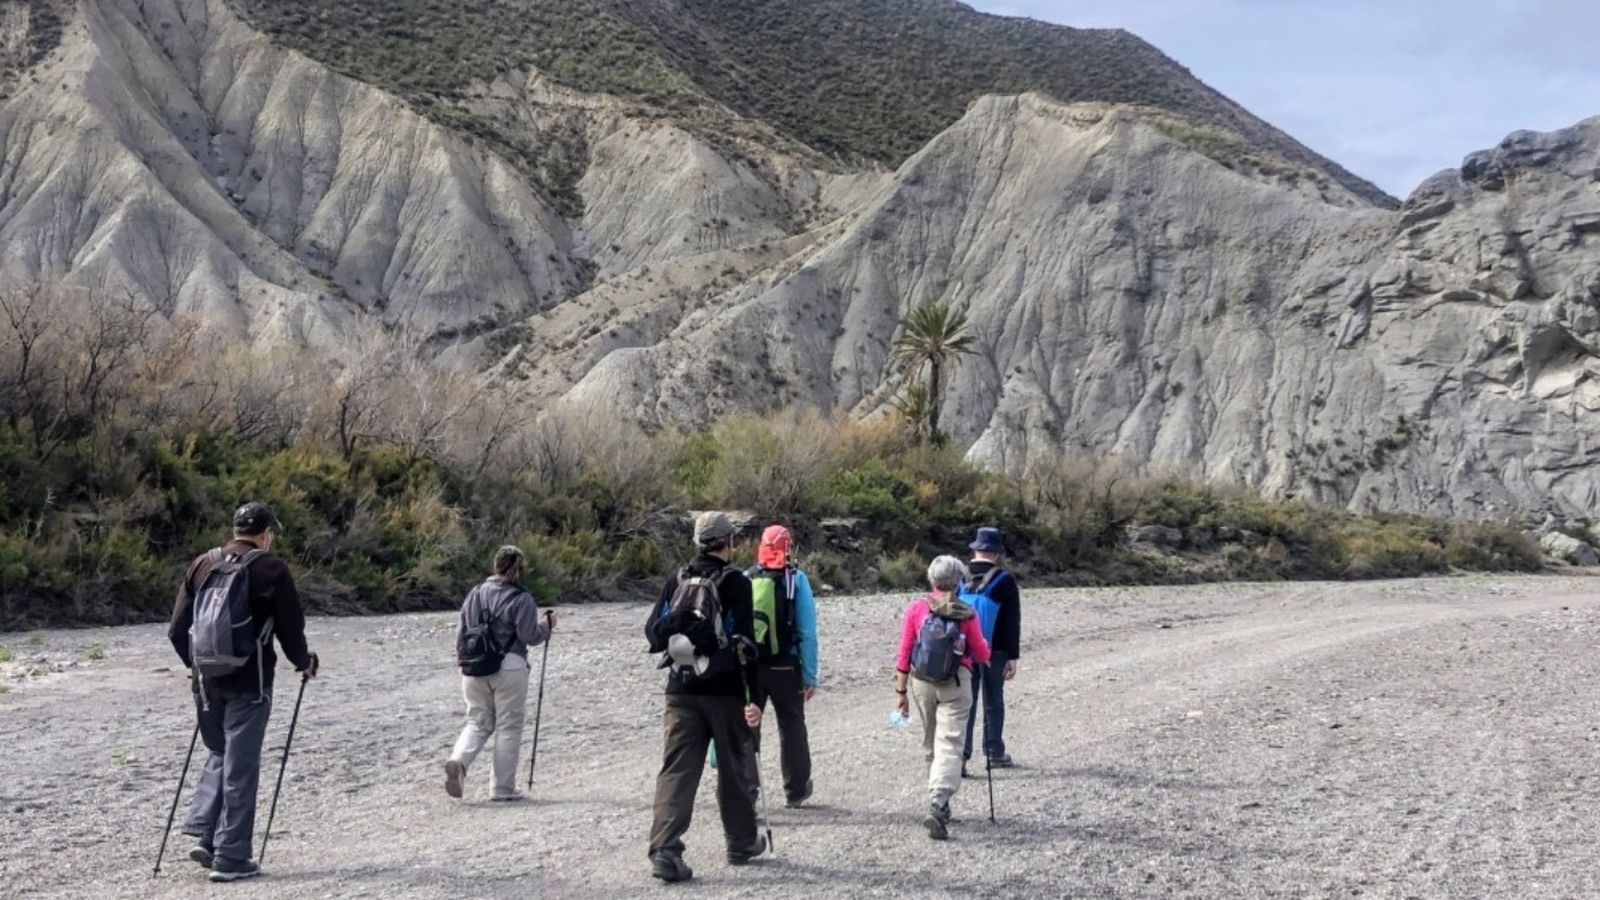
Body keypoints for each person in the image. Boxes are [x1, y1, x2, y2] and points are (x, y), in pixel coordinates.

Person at [168, 502, 319, 883]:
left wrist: (198, 665)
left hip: (207, 682)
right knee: (241, 765)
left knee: (220, 753)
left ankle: (207, 837)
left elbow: (176, 629)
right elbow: (290, 628)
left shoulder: (203, 564)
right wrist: (304, 662)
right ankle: (231, 857)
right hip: (251, 682)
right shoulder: (271, 568)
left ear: (236, 529)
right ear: (266, 533)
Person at [644, 512, 766, 883]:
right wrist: (754, 697)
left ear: (698, 542)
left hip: (680, 689)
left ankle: (665, 851)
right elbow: (745, 644)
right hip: (725, 692)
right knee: (734, 768)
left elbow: (652, 631)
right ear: (728, 542)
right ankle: (741, 843)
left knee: (677, 771)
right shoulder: (736, 582)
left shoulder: (677, 578)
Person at [444, 545, 556, 802]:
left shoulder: (475, 593)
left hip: (473, 665)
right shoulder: (522, 598)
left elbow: (461, 631)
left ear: (495, 565)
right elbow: (529, 636)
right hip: (509, 665)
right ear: (519, 569)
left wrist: (461, 661)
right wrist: (547, 626)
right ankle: (502, 788)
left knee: (478, 721)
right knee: (508, 726)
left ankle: (459, 762)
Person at [894, 555, 990, 841]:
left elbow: (904, 651)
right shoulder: (966, 612)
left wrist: (900, 692)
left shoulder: (917, 608)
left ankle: (937, 799)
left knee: (931, 740)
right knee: (950, 742)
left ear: (931, 579)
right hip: (956, 683)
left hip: (922, 682)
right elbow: (981, 653)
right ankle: (939, 801)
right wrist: (986, 650)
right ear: (958, 580)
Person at [744, 524, 820, 808]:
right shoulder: (795, 580)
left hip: (751, 666)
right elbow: (807, 633)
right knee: (792, 726)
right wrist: (809, 675)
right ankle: (796, 790)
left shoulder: (746, 577)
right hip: (786, 667)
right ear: (788, 549)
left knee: (749, 726)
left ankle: (747, 792)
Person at [961, 526, 1021, 773]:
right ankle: (994, 752)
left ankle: (960, 757)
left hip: (963, 649)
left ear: (975, 549)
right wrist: (1012, 656)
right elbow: (1011, 622)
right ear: (996, 553)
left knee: (965, 703)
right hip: (995, 651)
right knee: (993, 701)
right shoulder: (1005, 580)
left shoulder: (959, 576)